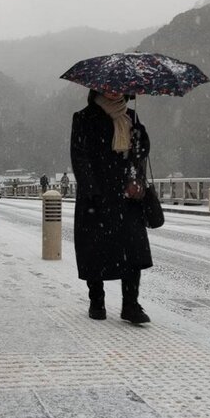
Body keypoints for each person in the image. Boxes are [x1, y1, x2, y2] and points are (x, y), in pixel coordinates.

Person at [70, 89, 152, 324]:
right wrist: (92, 191)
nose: (114, 92)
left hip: (127, 196)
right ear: (97, 89)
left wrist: (141, 137)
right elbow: (79, 157)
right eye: (108, 88)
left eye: (118, 88)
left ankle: (131, 304)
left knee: (132, 250)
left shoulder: (132, 117)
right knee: (95, 249)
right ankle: (97, 300)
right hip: (97, 196)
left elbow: (141, 153)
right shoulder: (83, 118)